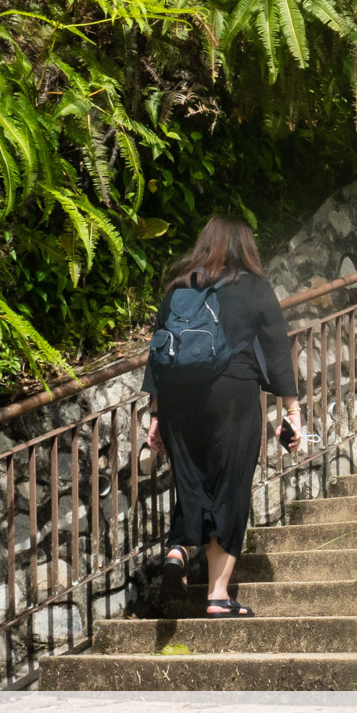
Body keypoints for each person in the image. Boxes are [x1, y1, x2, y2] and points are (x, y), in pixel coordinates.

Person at [143, 215, 301, 618]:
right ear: (246, 246)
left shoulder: (179, 287)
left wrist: (155, 413)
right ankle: (217, 596)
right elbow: (278, 350)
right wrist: (292, 412)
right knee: (229, 488)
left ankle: (178, 548)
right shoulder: (253, 288)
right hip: (232, 394)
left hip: (178, 399)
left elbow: (158, 352)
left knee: (192, 482)